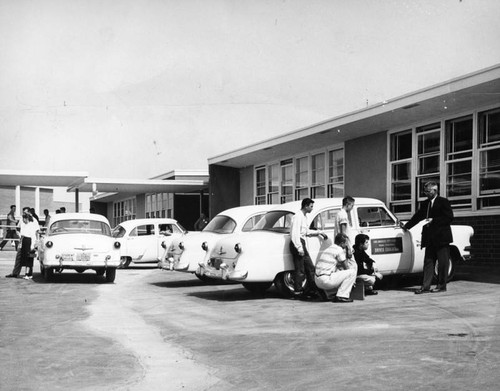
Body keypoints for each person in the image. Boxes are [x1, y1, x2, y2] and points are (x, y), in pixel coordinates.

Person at [401, 181, 454, 294]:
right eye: (425, 191)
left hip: (441, 238)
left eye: (428, 191)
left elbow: (449, 218)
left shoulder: (443, 202)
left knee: (442, 263)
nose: (426, 193)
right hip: (429, 238)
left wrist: (434, 220)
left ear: (435, 191)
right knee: (428, 262)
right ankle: (425, 287)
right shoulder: (425, 204)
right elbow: (418, 216)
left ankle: (441, 286)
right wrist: (406, 226)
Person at [289, 198, 327, 299]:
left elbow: (305, 231)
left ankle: (311, 290)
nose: (312, 208)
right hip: (297, 243)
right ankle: (298, 292)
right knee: (300, 270)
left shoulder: (304, 217)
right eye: (311, 206)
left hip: (301, 243)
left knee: (310, 268)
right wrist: (299, 248)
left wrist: (319, 232)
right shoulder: (298, 216)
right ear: (306, 206)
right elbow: (294, 234)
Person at [314, 233, 357, 303]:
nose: (346, 245)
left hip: (317, 281)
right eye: (346, 243)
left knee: (338, 271)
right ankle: (342, 296)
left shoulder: (329, 248)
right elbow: (346, 267)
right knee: (352, 272)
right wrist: (353, 281)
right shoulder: (339, 249)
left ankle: (328, 294)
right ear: (342, 243)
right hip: (326, 280)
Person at [5, 207, 39, 278]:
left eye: (25, 212)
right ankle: (15, 273)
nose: (24, 214)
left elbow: (36, 232)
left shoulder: (34, 221)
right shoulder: (22, 219)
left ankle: (29, 274)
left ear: (29, 212)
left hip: (31, 240)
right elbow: (19, 227)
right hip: (22, 239)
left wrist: (36, 242)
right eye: (23, 212)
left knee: (29, 257)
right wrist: (19, 234)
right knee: (19, 256)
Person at [19, 212, 40, 280]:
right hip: (25, 241)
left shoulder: (31, 225)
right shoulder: (24, 225)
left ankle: (27, 274)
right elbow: (22, 235)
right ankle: (29, 273)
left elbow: (33, 236)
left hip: (29, 241)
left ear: (27, 218)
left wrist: (32, 245)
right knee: (26, 258)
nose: (23, 220)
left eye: (24, 219)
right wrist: (20, 243)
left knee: (29, 258)